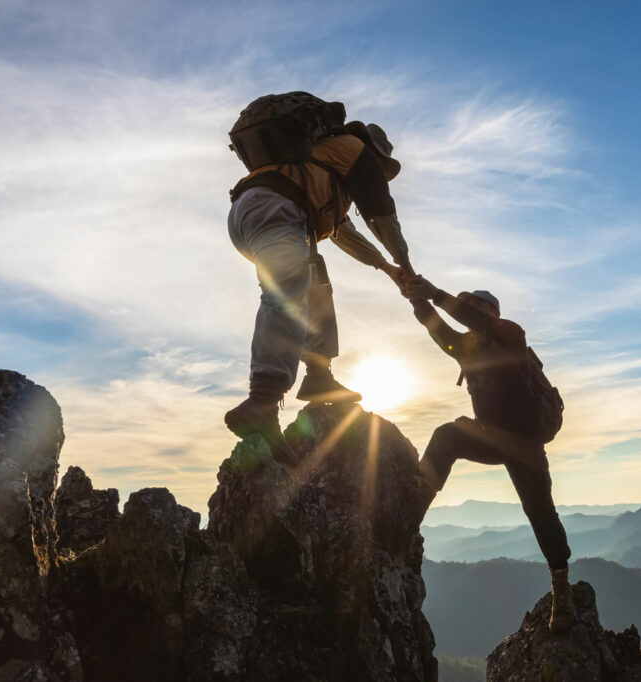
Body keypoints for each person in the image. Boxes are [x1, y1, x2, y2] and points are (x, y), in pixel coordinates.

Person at [223, 92, 413, 465]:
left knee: (315, 283)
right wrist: (405, 263)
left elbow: (344, 233)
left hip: (254, 215)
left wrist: (389, 271)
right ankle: (263, 398)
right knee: (287, 293)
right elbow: (382, 217)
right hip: (274, 210)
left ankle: (318, 374)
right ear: (377, 153)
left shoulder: (320, 167)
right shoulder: (354, 152)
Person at [403, 276, 576, 633]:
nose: (470, 315)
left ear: (492, 314)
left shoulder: (512, 335)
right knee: (447, 436)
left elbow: (470, 318)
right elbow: (438, 330)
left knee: (540, 513)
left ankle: (562, 589)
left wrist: (434, 293)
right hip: (488, 437)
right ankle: (412, 506)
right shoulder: (466, 348)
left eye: (477, 309)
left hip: (524, 444)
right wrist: (416, 300)